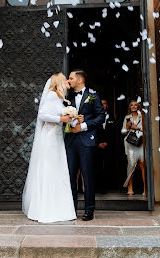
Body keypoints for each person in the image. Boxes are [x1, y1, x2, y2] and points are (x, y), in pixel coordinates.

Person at [22, 73, 76, 223]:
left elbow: (62, 119)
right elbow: (42, 115)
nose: (67, 81)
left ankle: (59, 208)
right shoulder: (52, 95)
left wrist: (74, 119)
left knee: (58, 170)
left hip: (57, 137)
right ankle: (46, 210)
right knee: (50, 170)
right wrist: (61, 119)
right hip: (51, 137)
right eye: (65, 79)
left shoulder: (59, 98)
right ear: (59, 82)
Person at [65, 70, 105, 221]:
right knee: (70, 176)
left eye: (71, 78)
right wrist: (71, 122)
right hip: (70, 141)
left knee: (87, 176)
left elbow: (101, 117)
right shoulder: (67, 97)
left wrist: (83, 125)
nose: (69, 80)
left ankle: (89, 210)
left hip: (87, 140)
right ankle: (71, 209)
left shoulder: (92, 96)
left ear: (80, 80)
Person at [121, 100, 145, 196]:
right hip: (130, 142)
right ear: (130, 107)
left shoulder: (142, 116)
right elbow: (123, 132)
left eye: (135, 105)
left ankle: (145, 188)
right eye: (132, 105)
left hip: (140, 142)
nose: (134, 106)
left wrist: (137, 128)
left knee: (142, 164)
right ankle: (130, 187)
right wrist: (127, 128)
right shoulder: (127, 117)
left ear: (138, 106)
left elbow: (146, 129)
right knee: (131, 165)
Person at [95, 99, 116, 194]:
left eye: (104, 104)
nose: (103, 105)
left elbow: (114, 132)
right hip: (97, 145)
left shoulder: (112, 117)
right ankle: (98, 187)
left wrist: (107, 142)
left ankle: (107, 187)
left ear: (107, 105)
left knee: (108, 165)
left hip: (108, 145)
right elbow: (93, 130)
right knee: (97, 165)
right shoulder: (95, 116)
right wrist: (98, 143)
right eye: (101, 104)